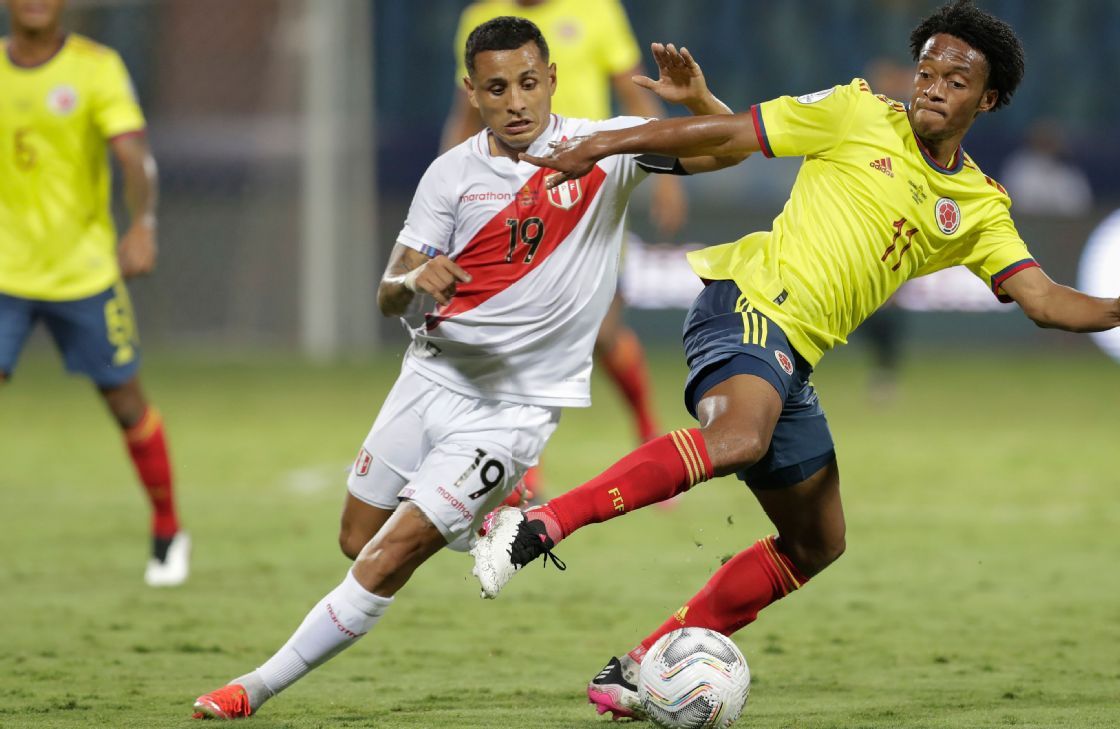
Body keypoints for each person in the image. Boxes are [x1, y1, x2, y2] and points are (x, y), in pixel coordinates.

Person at [470, 0, 1120, 720]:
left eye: (955, 78)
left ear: (990, 98)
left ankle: (641, 666)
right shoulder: (855, 112)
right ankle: (537, 524)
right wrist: (605, 144)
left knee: (818, 541)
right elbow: (733, 133)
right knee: (738, 438)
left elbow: (1039, 297)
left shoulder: (976, 204)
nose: (933, 86)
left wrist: (1111, 309)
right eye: (927, 70)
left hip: (796, 357)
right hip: (746, 304)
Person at [190, 17, 743, 720]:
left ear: (551, 80)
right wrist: (415, 280)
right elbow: (387, 292)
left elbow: (731, 147)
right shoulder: (450, 174)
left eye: (529, 83)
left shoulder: (603, 149)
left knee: (385, 560)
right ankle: (493, 521)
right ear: (472, 92)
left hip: (512, 413)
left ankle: (252, 689)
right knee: (357, 537)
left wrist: (698, 102)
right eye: (497, 88)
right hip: (428, 379)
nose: (516, 101)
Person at [444, 0, 689, 464]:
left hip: (590, 190)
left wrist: (667, 172)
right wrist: (447, 186)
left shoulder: (596, 11)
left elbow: (634, 90)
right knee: (514, 331)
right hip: (511, 194)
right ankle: (519, 474)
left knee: (602, 332)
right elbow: (466, 112)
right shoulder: (479, 18)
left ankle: (647, 428)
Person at [1, 0, 188, 587]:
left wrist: (142, 226)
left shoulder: (96, 67)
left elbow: (133, 155)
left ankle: (167, 530)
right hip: (5, 273)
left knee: (125, 401)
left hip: (83, 272)